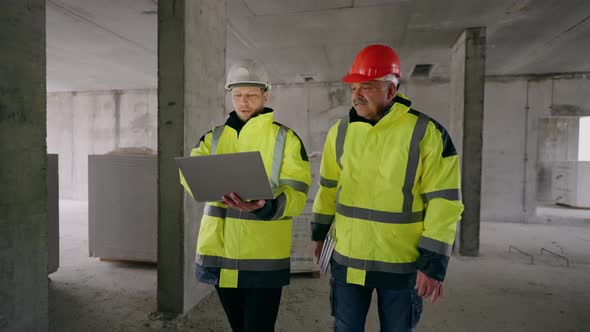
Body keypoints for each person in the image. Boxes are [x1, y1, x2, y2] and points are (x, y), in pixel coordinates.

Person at [311, 44, 464, 332]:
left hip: (401, 265)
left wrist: (432, 265)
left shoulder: (426, 133)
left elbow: (444, 203)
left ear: (391, 91)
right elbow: (328, 188)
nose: (357, 95)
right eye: (354, 88)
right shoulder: (340, 132)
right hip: (348, 260)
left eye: (366, 87)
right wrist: (320, 235)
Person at [180, 59, 311, 332]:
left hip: (262, 257)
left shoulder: (286, 139)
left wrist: (267, 206)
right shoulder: (212, 138)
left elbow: (297, 195)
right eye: (237, 95)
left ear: (266, 95)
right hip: (219, 254)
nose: (243, 102)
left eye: (251, 95)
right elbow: (190, 178)